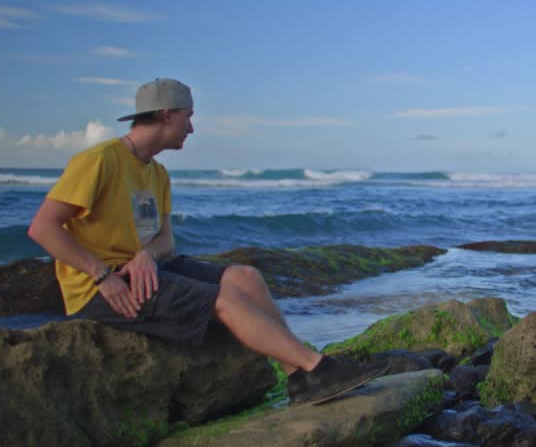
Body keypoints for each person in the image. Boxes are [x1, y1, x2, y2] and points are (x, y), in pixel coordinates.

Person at [27, 78, 386, 405]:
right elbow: (43, 228)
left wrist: (146, 256)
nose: (192, 127)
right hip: (102, 288)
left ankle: (299, 378)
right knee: (224, 300)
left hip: (143, 270)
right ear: (167, 115)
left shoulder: (156, 172)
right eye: (188, 116)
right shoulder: (98, 161)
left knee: (246, 278)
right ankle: (318, 368)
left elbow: (165, 239)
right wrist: (102, 276)